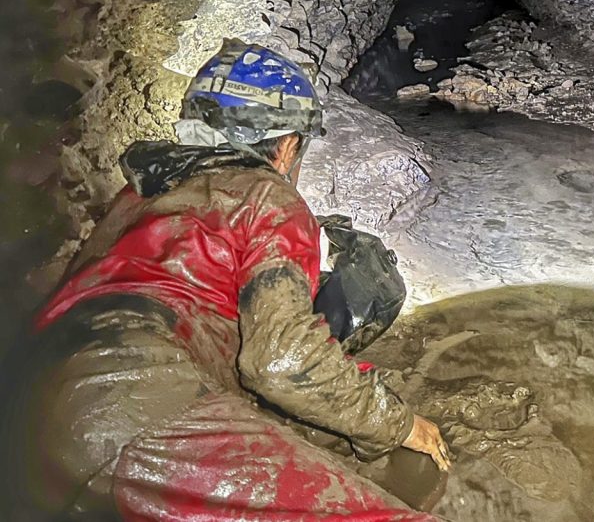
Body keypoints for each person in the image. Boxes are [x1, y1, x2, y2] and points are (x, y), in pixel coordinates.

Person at [1, 40, 449, 521]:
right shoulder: (266, 196)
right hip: (128, 404)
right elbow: (280, 361)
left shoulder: (136, 199)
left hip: (26, 412)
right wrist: (398, 424)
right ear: (287, 145)